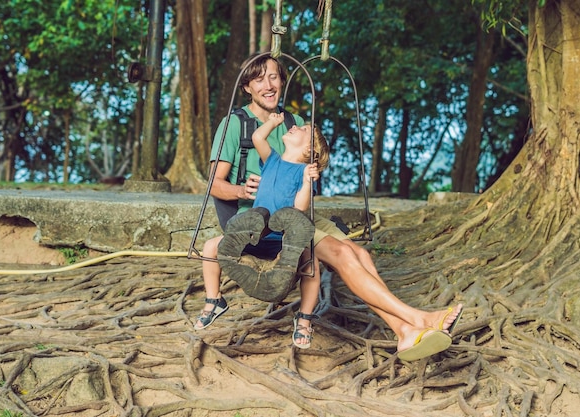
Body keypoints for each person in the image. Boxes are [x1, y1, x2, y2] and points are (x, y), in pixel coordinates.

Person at [207, 53, 463, 361]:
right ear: (248, 87)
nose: (268, 85)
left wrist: (310, 176)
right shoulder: (234, 124)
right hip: (263, 223)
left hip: (298, 214)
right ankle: (417, 318)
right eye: (260, 79)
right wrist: (241, 189)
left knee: (361, 253)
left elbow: (307, 165)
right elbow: (213, 184)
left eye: (274, 77)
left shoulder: (294, 124)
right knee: (342, 254)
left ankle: (404, 333)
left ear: (282, 82)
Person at [194, 109, 330, 350]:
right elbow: (258, 139)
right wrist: (271, 123)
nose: (295, 126)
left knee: (311, 262)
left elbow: (299, 209)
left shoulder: (303, 173)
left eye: (304, 129)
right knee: (210, 247)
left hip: (284, 240)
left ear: (311, 151)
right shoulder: (272, 161)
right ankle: (214, 300)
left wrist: (309, 182)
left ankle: (305, 317)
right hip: (255, 233)